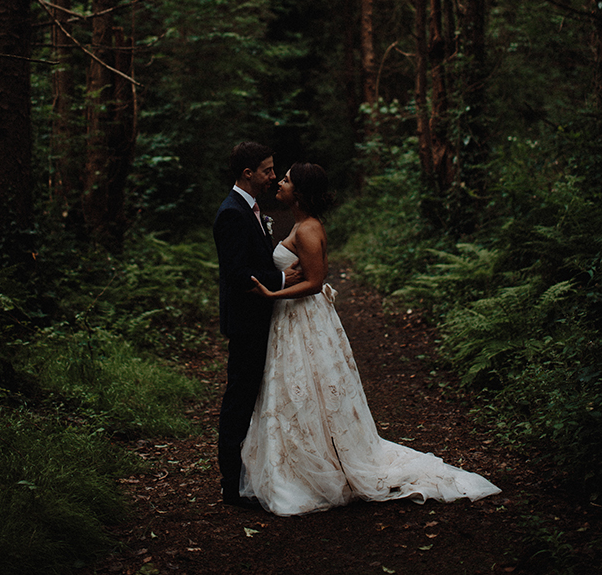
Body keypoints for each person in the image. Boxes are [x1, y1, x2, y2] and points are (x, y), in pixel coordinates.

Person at [241, 162, 501, 516]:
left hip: (303, 317)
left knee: (311, 385)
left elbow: (316, 282)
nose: (279, 184)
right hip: (293, 319)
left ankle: (321, 464)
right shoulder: (301, 225)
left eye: (285, 180)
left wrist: (272, 295)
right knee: (297, 388)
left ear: (299, 192)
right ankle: (305, 456)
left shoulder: (307, 230)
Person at [213, 141, 301, 508]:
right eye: (267, 170)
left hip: (262, 319)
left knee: (258, 398)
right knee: (240, 400)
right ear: (248, 173)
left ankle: (256, 476)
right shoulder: (231, 213)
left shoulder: (251, 209)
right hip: (247, 322)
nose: (272, 176)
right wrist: (283, 281)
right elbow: (236, 273)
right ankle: (232, 486)